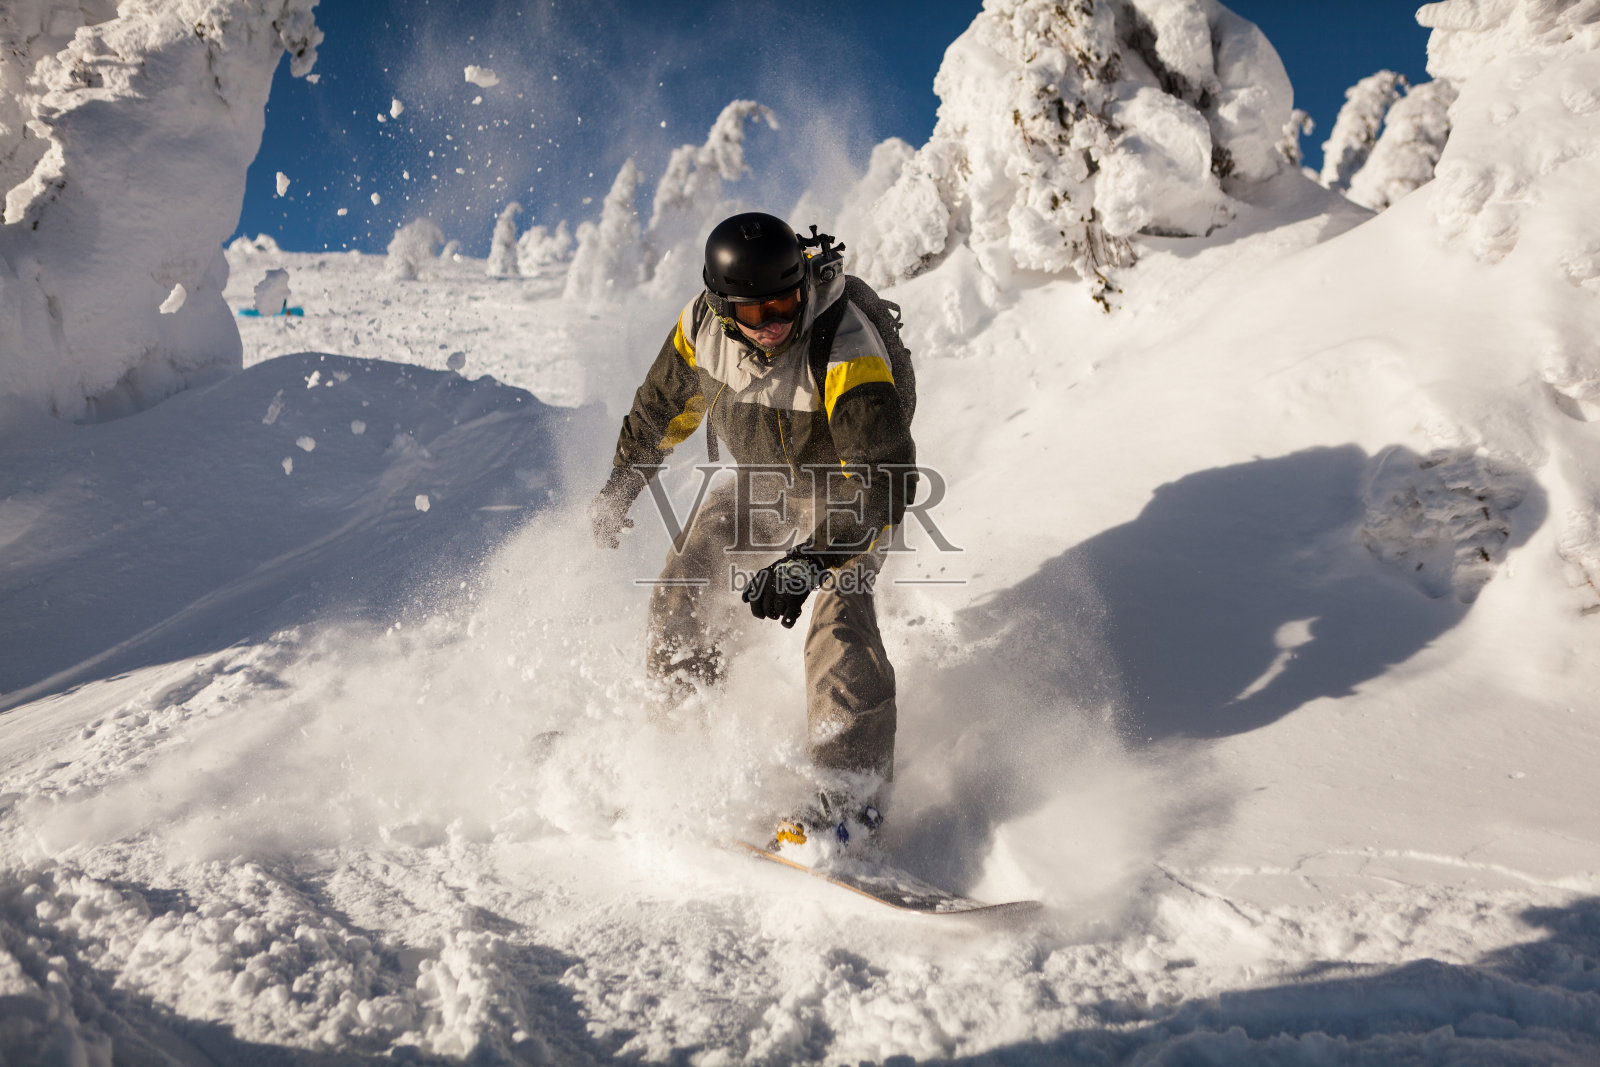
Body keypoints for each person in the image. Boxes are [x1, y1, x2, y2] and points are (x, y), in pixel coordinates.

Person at [589, 212, 916, 854]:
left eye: (785, 302)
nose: (774, 323)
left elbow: (887, 484)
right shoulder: (699, 333)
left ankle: (850, 795)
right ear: (721, 305)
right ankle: (680, 734)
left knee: (838, 618)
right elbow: (661, 412)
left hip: (851, 495)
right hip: (766, 481)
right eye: (755, 310)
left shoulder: (844, 343)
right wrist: (621, 488)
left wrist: (806, 563)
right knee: (684, 579)